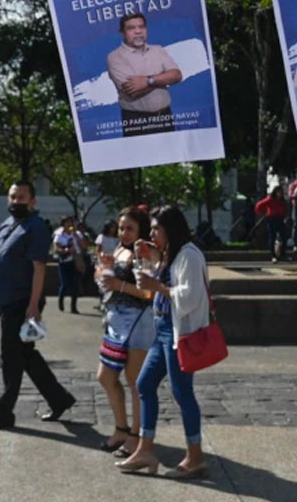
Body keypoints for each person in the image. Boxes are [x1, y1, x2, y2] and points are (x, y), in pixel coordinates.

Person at [117, 205, 209, 479]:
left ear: (171, 229)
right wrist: (154, 260)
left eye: (156, 228)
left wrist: (155, 285)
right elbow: (167, 279)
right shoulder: (172, 254)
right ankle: (145, 449)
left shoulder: (189, 255)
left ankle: (196, 456)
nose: (152, 233)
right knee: (144, 384)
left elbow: (189, 296)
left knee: (183, 393)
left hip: (178, 334)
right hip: (162, 331)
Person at [0, 181, 76, 431]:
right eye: (12, 196)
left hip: (21, 301)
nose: (16, 201)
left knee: (11, 358)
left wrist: (33, 304)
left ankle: (3, 413)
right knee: (26, 355)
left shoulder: (36, 227)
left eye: (21, 197)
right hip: (5, 297)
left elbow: (39, 268)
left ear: (33, 201)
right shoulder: (7, 225)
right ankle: (59, 399)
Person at [95, 207, 156, 457]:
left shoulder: (145, 252)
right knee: (106, 376)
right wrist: (105, 270)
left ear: (141, 229)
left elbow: (148, 292)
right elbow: (107, 284)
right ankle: (121, 427)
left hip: (138, 322)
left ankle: (135, 435)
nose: (124, 233)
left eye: (130, 228)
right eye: (121, 228)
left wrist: (118, 283)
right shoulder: (118, 250)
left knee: (135, 383)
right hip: (116, 321)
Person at [106, 13, 182, 136]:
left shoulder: (158, 50)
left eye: (142, 27)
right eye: (131, 28)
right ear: (122, 32)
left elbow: (177, 75)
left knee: (169, 155)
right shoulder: (115, 57)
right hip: (136, 121)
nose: (138, 32)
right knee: (142, 155)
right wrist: (164, 78)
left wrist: (148, 81)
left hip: (165, 117)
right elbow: (132, 91)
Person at [53, 217, 82, 313]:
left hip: (74, 261)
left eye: (71, 223)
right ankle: (61, 300)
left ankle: (73, 307)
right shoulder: (60, 235)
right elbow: (56, 248)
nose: (70, 225)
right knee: (65, 284)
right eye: (67, 223)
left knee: (75, 285)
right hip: (64, 262)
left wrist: (76, 236)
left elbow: (84, 245)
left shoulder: (75, 234)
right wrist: (67, 250)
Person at [254, 186, 288, 261]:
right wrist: (263, 213)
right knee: (272, 237)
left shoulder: (282, 201)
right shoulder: (270, 199)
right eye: (278, 192)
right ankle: (273, 255)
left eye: (281, 192)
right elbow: (258, 205)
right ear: (275, 192)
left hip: (280, 219)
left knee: (284, 237)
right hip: (272, 219)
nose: (280, 194)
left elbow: (285, 209)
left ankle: (282, 254)